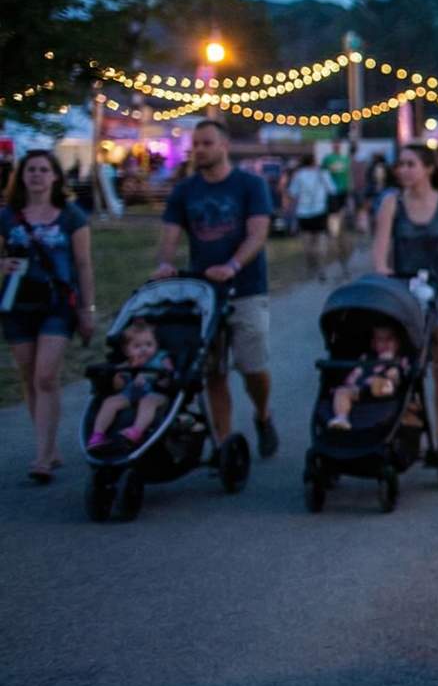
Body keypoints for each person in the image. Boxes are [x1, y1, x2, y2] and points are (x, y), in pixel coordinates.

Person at [155, 119, 278, 456]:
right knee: (212, 368)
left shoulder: (250, 185)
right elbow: (169, 234)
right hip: (203, 291)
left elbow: (258, 232)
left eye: (207, 143)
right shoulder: (185, 190)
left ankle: (263, 414)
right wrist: (164, 264)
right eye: (196, 144)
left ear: (224, 146)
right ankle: (224, 442)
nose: (199, 150)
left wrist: (233, 265)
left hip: (246, 287)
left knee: (251, 365)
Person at [371, 143, 438, 442]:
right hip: (406, 297)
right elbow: (379, 253)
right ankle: (410, 421)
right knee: (405, 367)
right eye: (400, 164)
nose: (402, 170)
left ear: (428, 168)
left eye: (410, 164)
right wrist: (382, 276)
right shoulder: (392, 204)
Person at [3, 150, 96, 483]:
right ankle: (49, 446)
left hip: (58, 305)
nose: (37, 175)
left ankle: (42, 457)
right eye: (31, 170)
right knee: (29, 376)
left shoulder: (71, 216)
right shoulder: (8, 216)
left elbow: (84, 265)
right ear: (22, 176)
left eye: (44, 169)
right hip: (16, 305)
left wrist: (88, 309)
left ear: (56, 176)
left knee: (45, 376)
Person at [88, 321, 174, 452]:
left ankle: (136, 431)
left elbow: (170, 376)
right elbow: (118, 387)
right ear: (127, 351)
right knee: (110, 402)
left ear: (156, 345)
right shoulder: (126, 364)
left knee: (148, 402)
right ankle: (98, 435)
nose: (144, 349)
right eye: (137, 346)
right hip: (130, 395)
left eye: (149, 344)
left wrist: (165, 377)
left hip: (156, 394)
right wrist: (121, 375)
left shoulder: (161, 358)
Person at [326, 322, 405, 432]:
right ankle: (341, 418)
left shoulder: (400, 359)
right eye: (380, 340)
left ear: (398, 343)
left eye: (389, 339)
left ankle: (383, 385)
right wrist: (351, 383)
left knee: (392, 375)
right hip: (362, 390)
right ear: (373, 343)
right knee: (341, 392)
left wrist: (390, 363)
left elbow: (405, 374)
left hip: (387, 393)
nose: (385, 343)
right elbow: (357, 372)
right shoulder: (366, 357)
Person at [286, 154, 334, 281]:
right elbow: (332, 190)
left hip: (303, 212)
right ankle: (321, 268)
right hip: (320, 210)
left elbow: (292, 193)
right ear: (314, 162)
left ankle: (311, 266)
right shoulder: (323, 174)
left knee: (307, 242)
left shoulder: (299, 175)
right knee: (321, 240)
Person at [321, 144, 355, 274]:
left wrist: (351, 190)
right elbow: (322, 174)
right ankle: (335, 234)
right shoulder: (328, 159)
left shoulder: (345, 160)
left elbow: (349, 176)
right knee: (335, 221)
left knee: (341, 222)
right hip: (332, 194)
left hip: (343, 193)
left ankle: (339, 235)